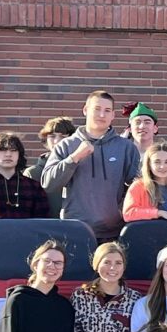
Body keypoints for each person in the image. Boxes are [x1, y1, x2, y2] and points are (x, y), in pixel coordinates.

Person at [41, 89, 141, 241]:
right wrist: (74, 157)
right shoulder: (66, 146)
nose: (102, 115)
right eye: (97, 109)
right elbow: (48, 184)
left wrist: (120, 211)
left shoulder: (126, 147)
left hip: (114, 234)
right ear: (85, 110)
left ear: (113, 115)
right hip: (75, 231)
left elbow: (137, 186)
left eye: (107, 110)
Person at [122, 141, 167, 224]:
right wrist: (159, 213)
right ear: (149, 165)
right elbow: (128, 214)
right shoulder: (138, 186)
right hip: (148, 234)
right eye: (157, 162)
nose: (162, 166)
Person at [26, 116, 75, 218]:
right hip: (45, 230)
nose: (57, 141)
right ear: (45, 140)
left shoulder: (81, 168)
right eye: (52, 136)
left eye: (63, 136)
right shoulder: (33, 173)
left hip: (76, 228)